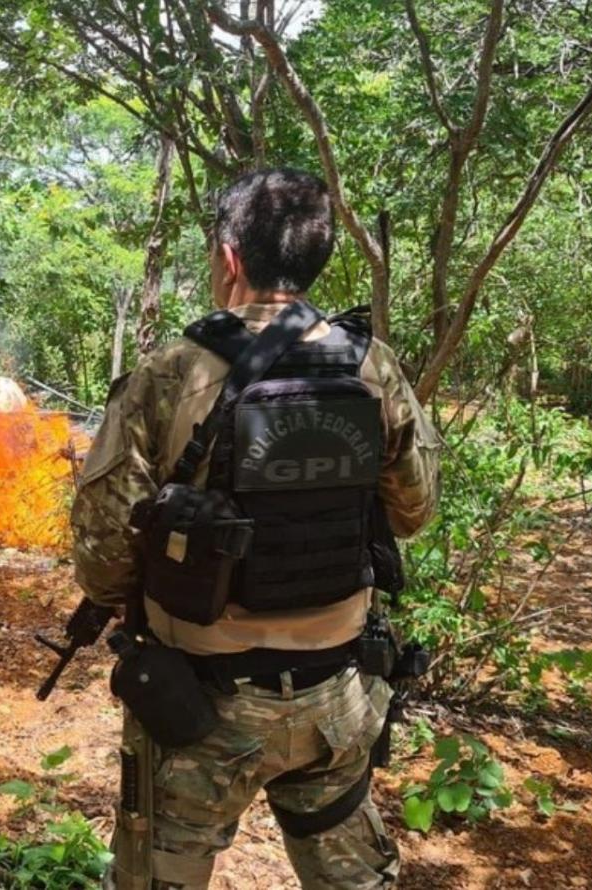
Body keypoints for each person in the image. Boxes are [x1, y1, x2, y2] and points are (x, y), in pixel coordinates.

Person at [71, 168, 441, 889]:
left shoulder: (170, 372)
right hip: (337, 694)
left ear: (231, 259)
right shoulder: (373, 365)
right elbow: (413, 512)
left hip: (200, 711)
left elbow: (104, 552)